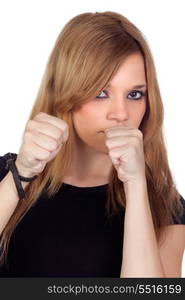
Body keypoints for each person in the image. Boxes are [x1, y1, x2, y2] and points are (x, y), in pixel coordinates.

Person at [0, 11, 185, 278]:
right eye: (101, 93)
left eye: (135, 94)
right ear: (66, 91)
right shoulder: (7, 177)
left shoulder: (164, 205)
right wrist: (22, 173)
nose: (120, 113)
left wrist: (136, 186)